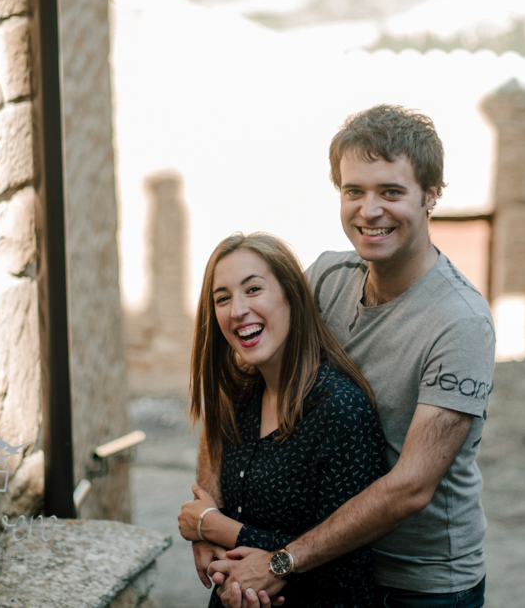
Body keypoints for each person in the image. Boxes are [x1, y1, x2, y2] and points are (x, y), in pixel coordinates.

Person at [204, 104, 496, 608]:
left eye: (391, 192)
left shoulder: (460, 323)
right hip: (328, 563)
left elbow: (411, 487)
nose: (369, 210)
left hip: (419, 583)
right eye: (353, 191)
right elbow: (239, 393)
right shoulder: (325, 279)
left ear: (431, 196)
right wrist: (208, 512)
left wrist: (279, 561)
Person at [177, 232, 386, 607]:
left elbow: (344, 565)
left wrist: (219, 527)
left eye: (253, 290)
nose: (237, 309)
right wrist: (220, 558)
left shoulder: (340, 410)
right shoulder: (240, 398)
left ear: (291, 295)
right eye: (222, 298)